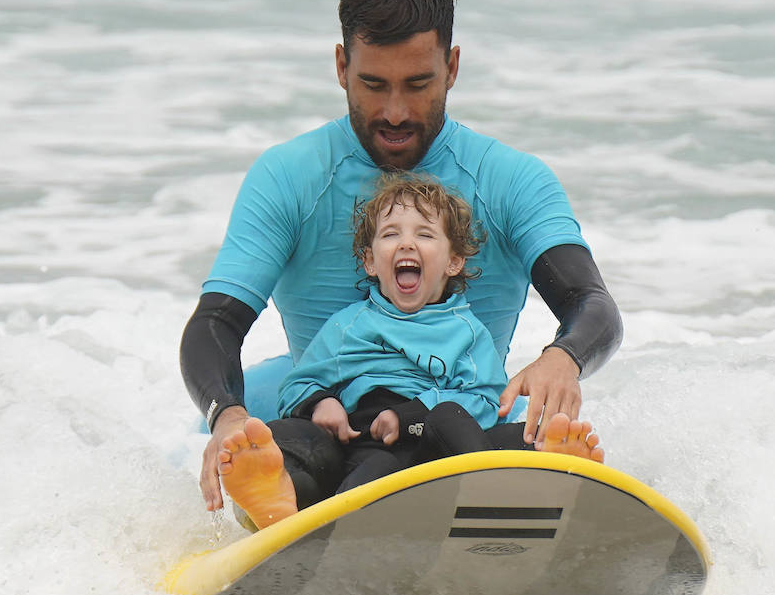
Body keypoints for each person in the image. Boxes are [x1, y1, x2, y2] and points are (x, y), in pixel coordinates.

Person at [180, 0, 622, 513]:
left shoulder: (512, 180)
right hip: (328, 415)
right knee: (230, 434)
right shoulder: (289, 177)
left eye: (418, 85)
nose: (394, 112)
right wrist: (227, 413)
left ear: (452, 68)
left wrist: (566, 356)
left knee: (523, 440)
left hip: (455, 416)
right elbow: (216, 323)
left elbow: (593, 305)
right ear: (341, 67)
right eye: (372, 84)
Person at [218, 172, 604, 528]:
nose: (406, 243)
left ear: (454, 261)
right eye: (390, 235)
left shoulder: (466, 333)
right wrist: (320, 404)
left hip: (446, 453)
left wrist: (410, 415)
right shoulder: (348, 325)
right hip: (365, 446)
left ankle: (548, 475)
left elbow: (486, 400)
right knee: (290, 436)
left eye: (424, 234)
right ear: (370, 261)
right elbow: (297, 385)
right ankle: (278, 502)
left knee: (483, 424)